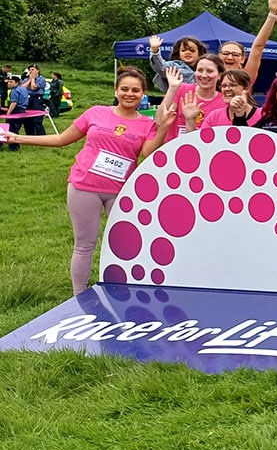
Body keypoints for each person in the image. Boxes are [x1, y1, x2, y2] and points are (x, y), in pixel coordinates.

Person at [3, 67, 172, 294]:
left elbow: (147, 153)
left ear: (143, 94)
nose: (129, 94)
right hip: (84, 187)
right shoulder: (95, 113)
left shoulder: (146, 124)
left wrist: (164, 129)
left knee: (126, 245)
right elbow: (62, 139)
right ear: (116, 90)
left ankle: (123, 291)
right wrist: (18, 138)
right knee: (84, 245)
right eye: (124, 89)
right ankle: (79, 296)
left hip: (121, 192)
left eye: (135, 90)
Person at [163, 53, 226, 139]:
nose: (203, 75)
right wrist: (172, 89)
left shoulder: (224, 102)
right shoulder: (182, 89)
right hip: (174, 148)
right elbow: (159, 121)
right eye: (200, 70)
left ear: (219, 75)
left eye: (210, 71)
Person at [3, 74, 29, 151]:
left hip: (16, 110)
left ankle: (14, 147)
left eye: (11, 82)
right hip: (22, 110)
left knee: (12, 129)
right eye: (8, 82)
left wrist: (8, 113)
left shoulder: (14, 90)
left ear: (17, 82)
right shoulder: (24, 89)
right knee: (16, 128)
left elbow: (14, 102)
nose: (9, 83)